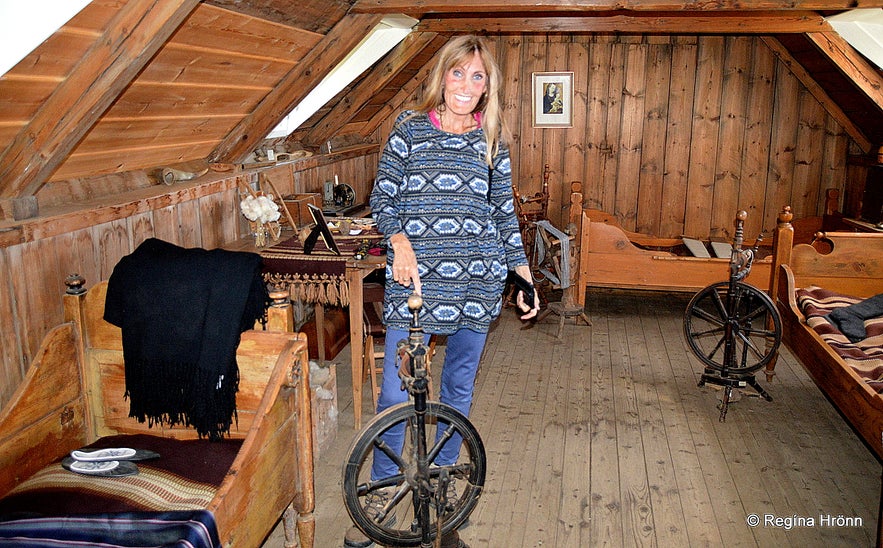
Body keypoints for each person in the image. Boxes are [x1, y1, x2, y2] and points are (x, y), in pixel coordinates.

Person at [344, 34, 539, 548]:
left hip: (478, 281)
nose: (467, 85)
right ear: (442, 76)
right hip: (416, 286)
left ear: (487, 87)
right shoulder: (408, 130)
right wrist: (399, 239)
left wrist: (522, 274)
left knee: (456, 390)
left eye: (478, 77)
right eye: (459, 73)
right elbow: (381, 199)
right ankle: (386, 493)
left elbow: (502, 215)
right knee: (395, 393)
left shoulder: (493, 139)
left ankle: (443, 488)